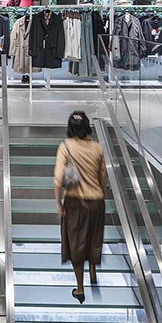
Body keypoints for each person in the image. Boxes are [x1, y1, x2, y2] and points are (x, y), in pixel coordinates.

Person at [55, 111, 108, 304]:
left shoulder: (65, 147)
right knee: (93, 239)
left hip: (75, 202)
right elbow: (103, 175)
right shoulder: (98, 148)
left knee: (76, 245)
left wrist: (59, 203)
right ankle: (93, 271)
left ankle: (80, 288)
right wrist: (102, 195)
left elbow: (59, 179)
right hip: (96, 202)